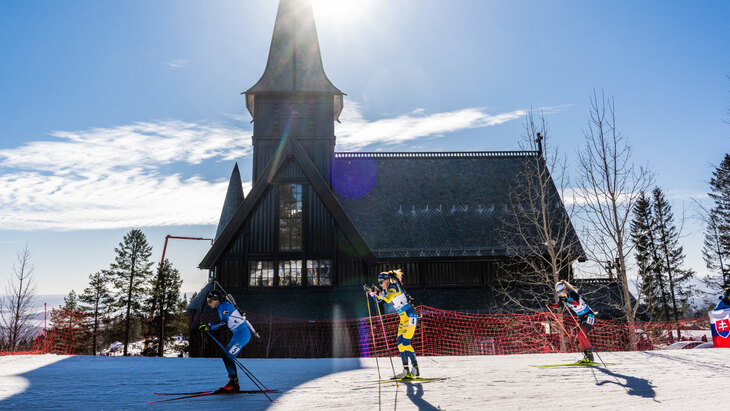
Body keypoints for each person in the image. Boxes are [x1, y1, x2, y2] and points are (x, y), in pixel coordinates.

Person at [367, 269, 420, 379]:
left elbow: (387, 299)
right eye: (379, 283)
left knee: (406, 343)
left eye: (381, 282)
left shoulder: (394, 287)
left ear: (387, 281)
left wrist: (378, 293)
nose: (380, 285)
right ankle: (406, 370)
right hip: (403, 318)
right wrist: (372, 293)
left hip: (410, 316)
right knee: (400, 345)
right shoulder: (387, 290)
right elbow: (380, 300)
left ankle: (415, 368)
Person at [199, 289, 251, 393]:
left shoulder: (225, 306)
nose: (209, 304)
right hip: (238, 334)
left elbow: (224, 323)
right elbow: (221, 321)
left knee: (227, 356)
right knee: (227, 356)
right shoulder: (220, 307)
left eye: (210, 301)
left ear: (216, 299)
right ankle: (233, 382)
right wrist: (208, 325)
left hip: (242, 335)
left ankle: (234, 384)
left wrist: (210, 328)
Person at [547, 280, 596, 363]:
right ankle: (587, 356)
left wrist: (566, 301)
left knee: (582, 334)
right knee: (579, 335)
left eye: (559, 291)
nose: (559, 293)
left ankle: (590, 354)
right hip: (580, 316)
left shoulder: (571, 293)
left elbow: (576, 303)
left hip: (588, 315)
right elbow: (557, 306)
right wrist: (549, 304)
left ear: (564, 289)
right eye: (557, 292)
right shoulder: (562, 298)